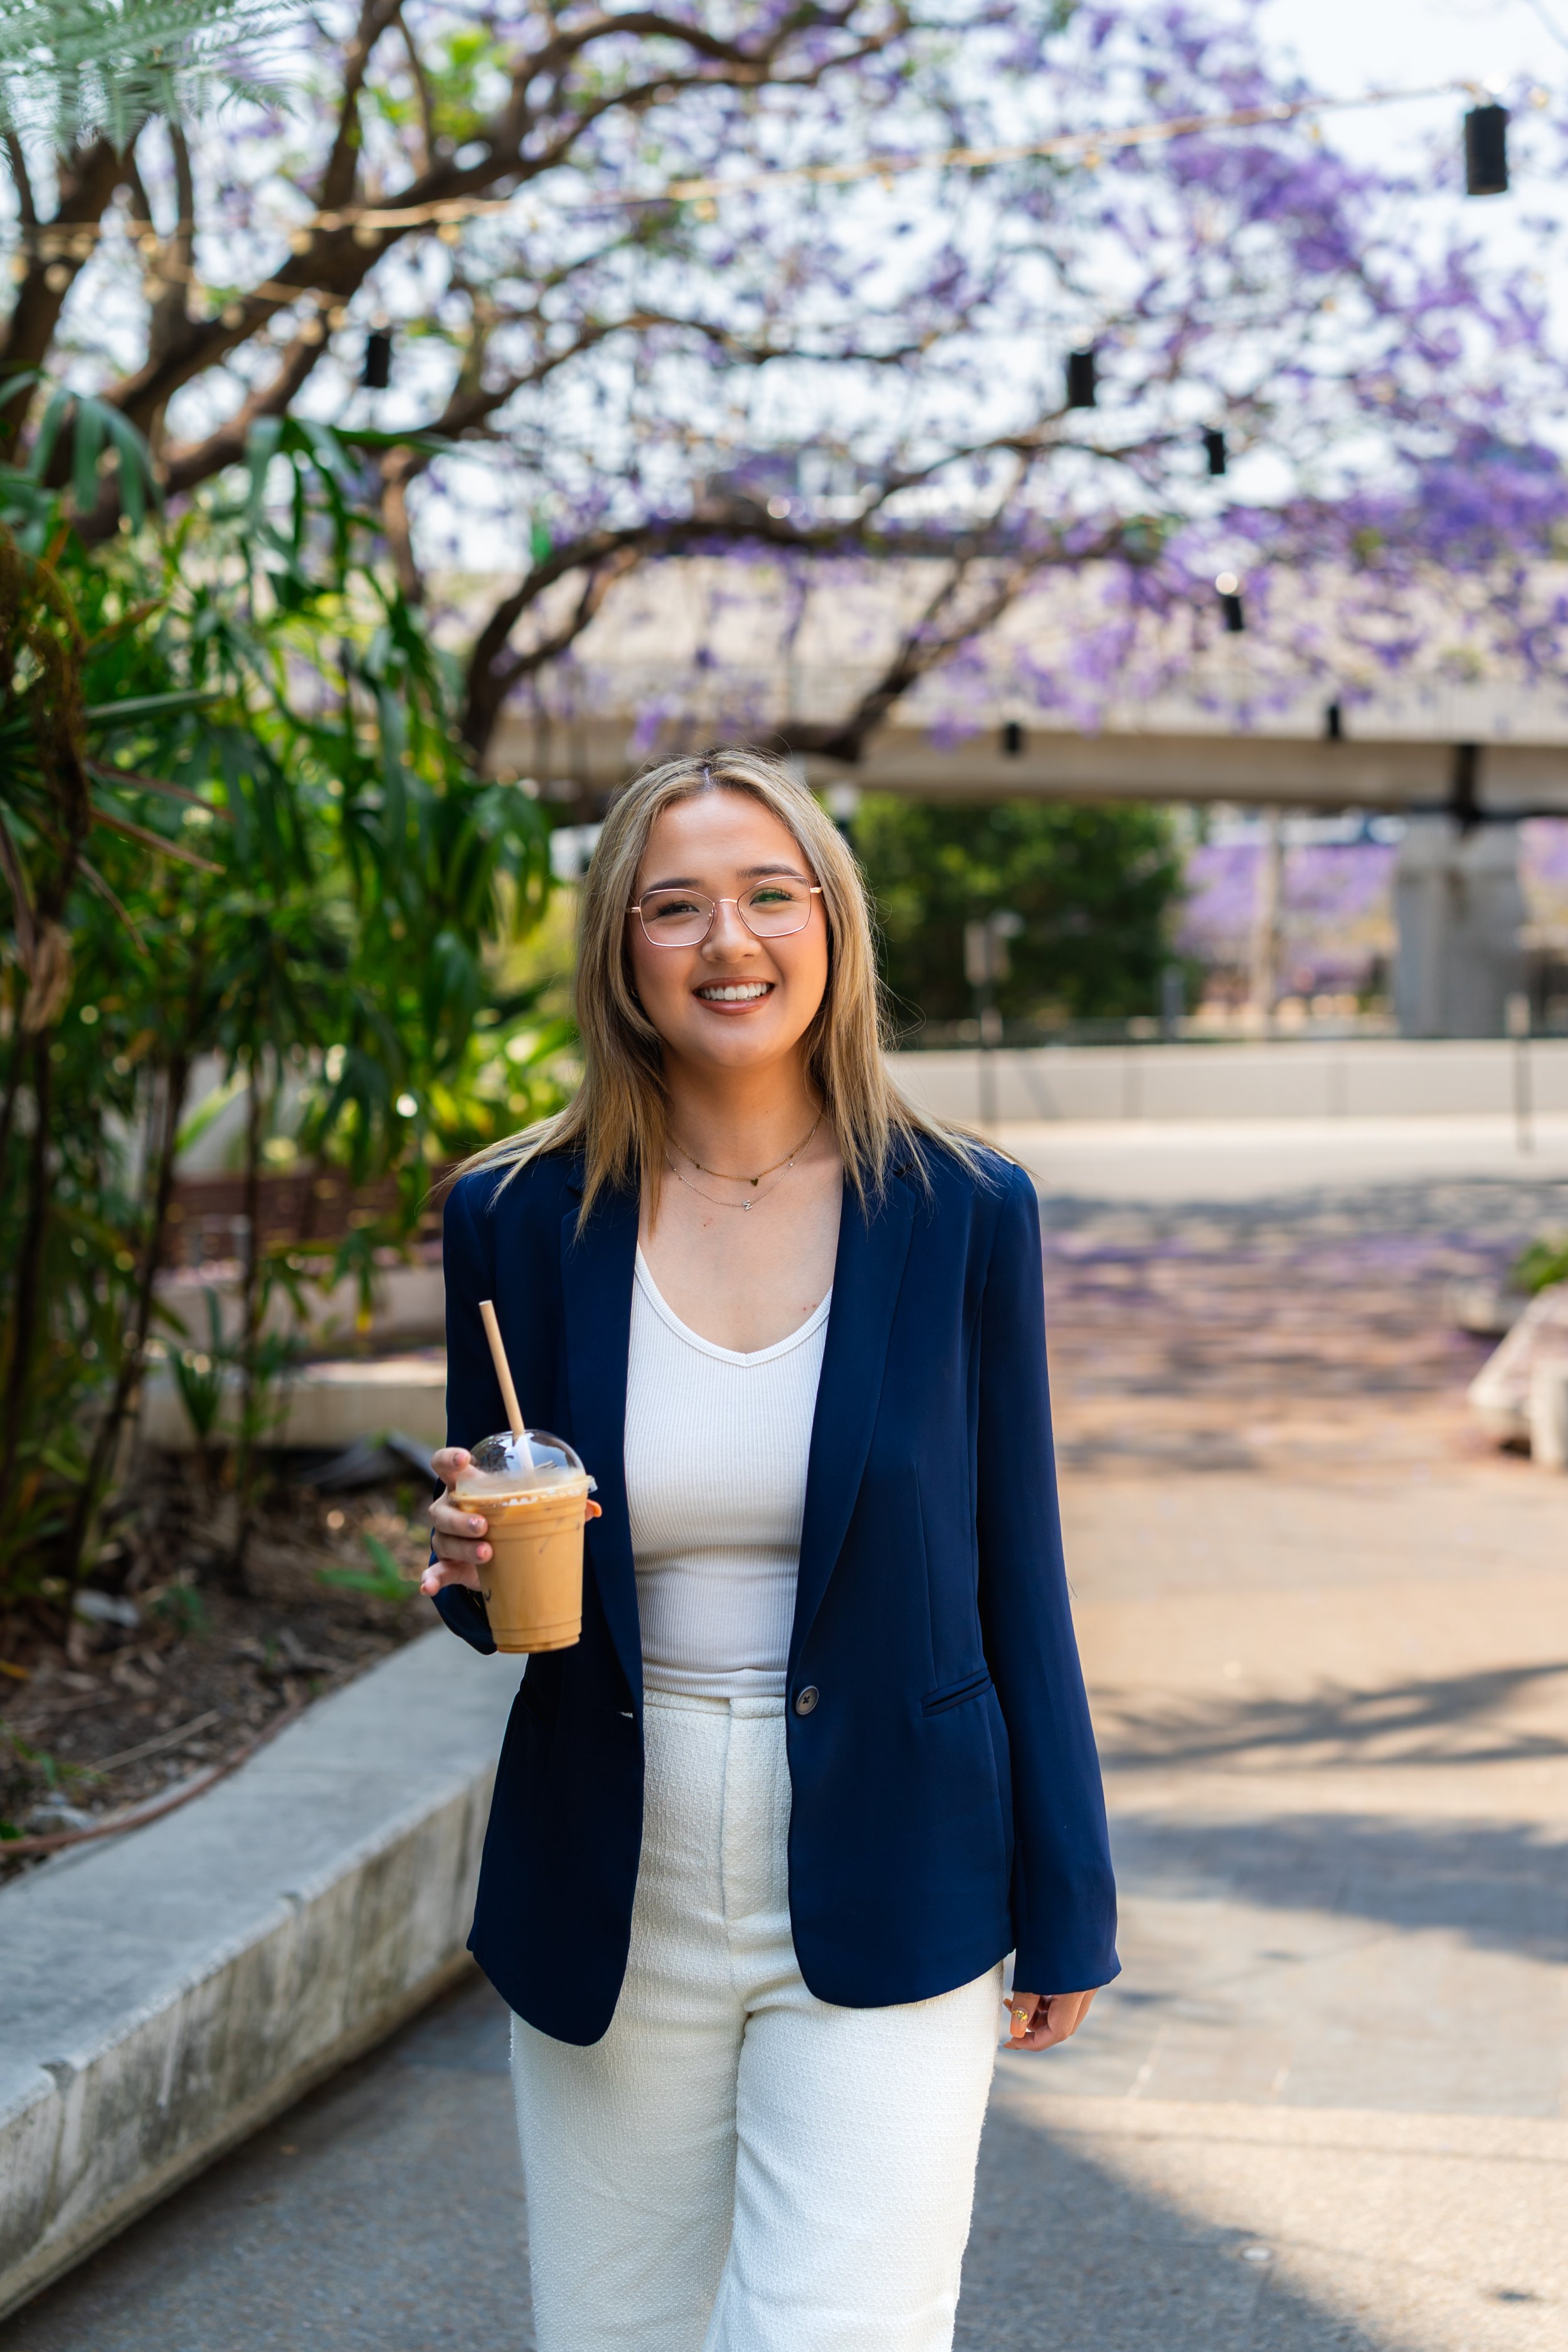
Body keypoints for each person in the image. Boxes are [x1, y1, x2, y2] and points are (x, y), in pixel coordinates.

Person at [422, 747, 1117, 2352]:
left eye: (764, 895)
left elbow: (1020, 1561)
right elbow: (510, 1573)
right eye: (672, 906)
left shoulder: (957, 1207)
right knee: (619, 2331)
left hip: (897, 1840)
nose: (725, 941)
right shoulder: (518, 1214)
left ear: (829, 924)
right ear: (617, 947)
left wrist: (1065, 1888)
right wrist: (463, 1564)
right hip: (614, 1846)